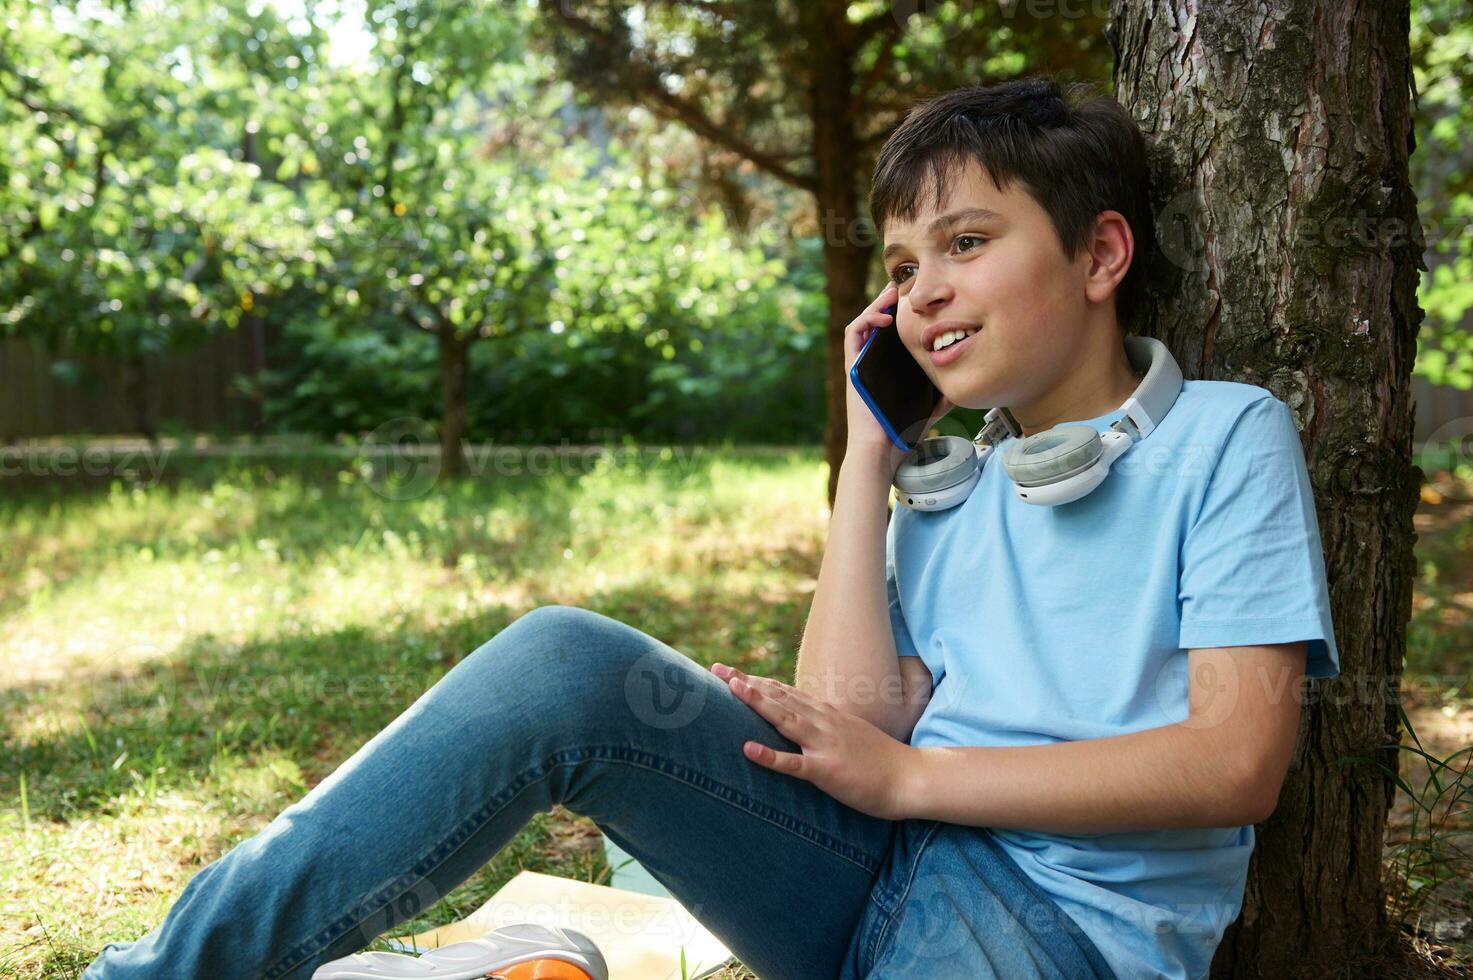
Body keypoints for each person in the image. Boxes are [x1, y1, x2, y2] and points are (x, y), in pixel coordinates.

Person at [84, 73, 1339, 980]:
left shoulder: (1226, 438)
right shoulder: (952, 482)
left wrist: (917, 780)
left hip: (1043, 929)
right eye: (902, 267)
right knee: (564, 656)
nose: (924, 292)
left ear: (1100, 253)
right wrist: (867, 466)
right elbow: (847, 718)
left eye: (966, 243)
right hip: (865, 865)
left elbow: (1236, 760)